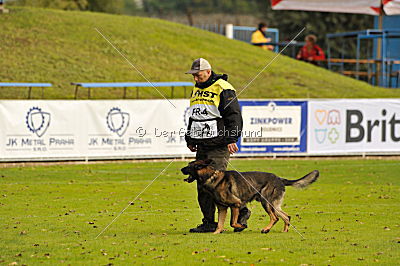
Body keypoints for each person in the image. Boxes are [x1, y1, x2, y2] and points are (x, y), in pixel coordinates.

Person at [184, 58, 251, 233]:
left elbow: (233, 116)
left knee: (218, 184)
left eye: (198, 75)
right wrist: (190, 139)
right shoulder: (197, 89)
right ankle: (209, 223)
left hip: (218, 144)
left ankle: (242, 211)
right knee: (202, 185)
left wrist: (231, 138)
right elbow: (195, 116)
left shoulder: (223, 88)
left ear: (208, 71)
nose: (196, 79)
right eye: (194, 76)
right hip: (202, 144)